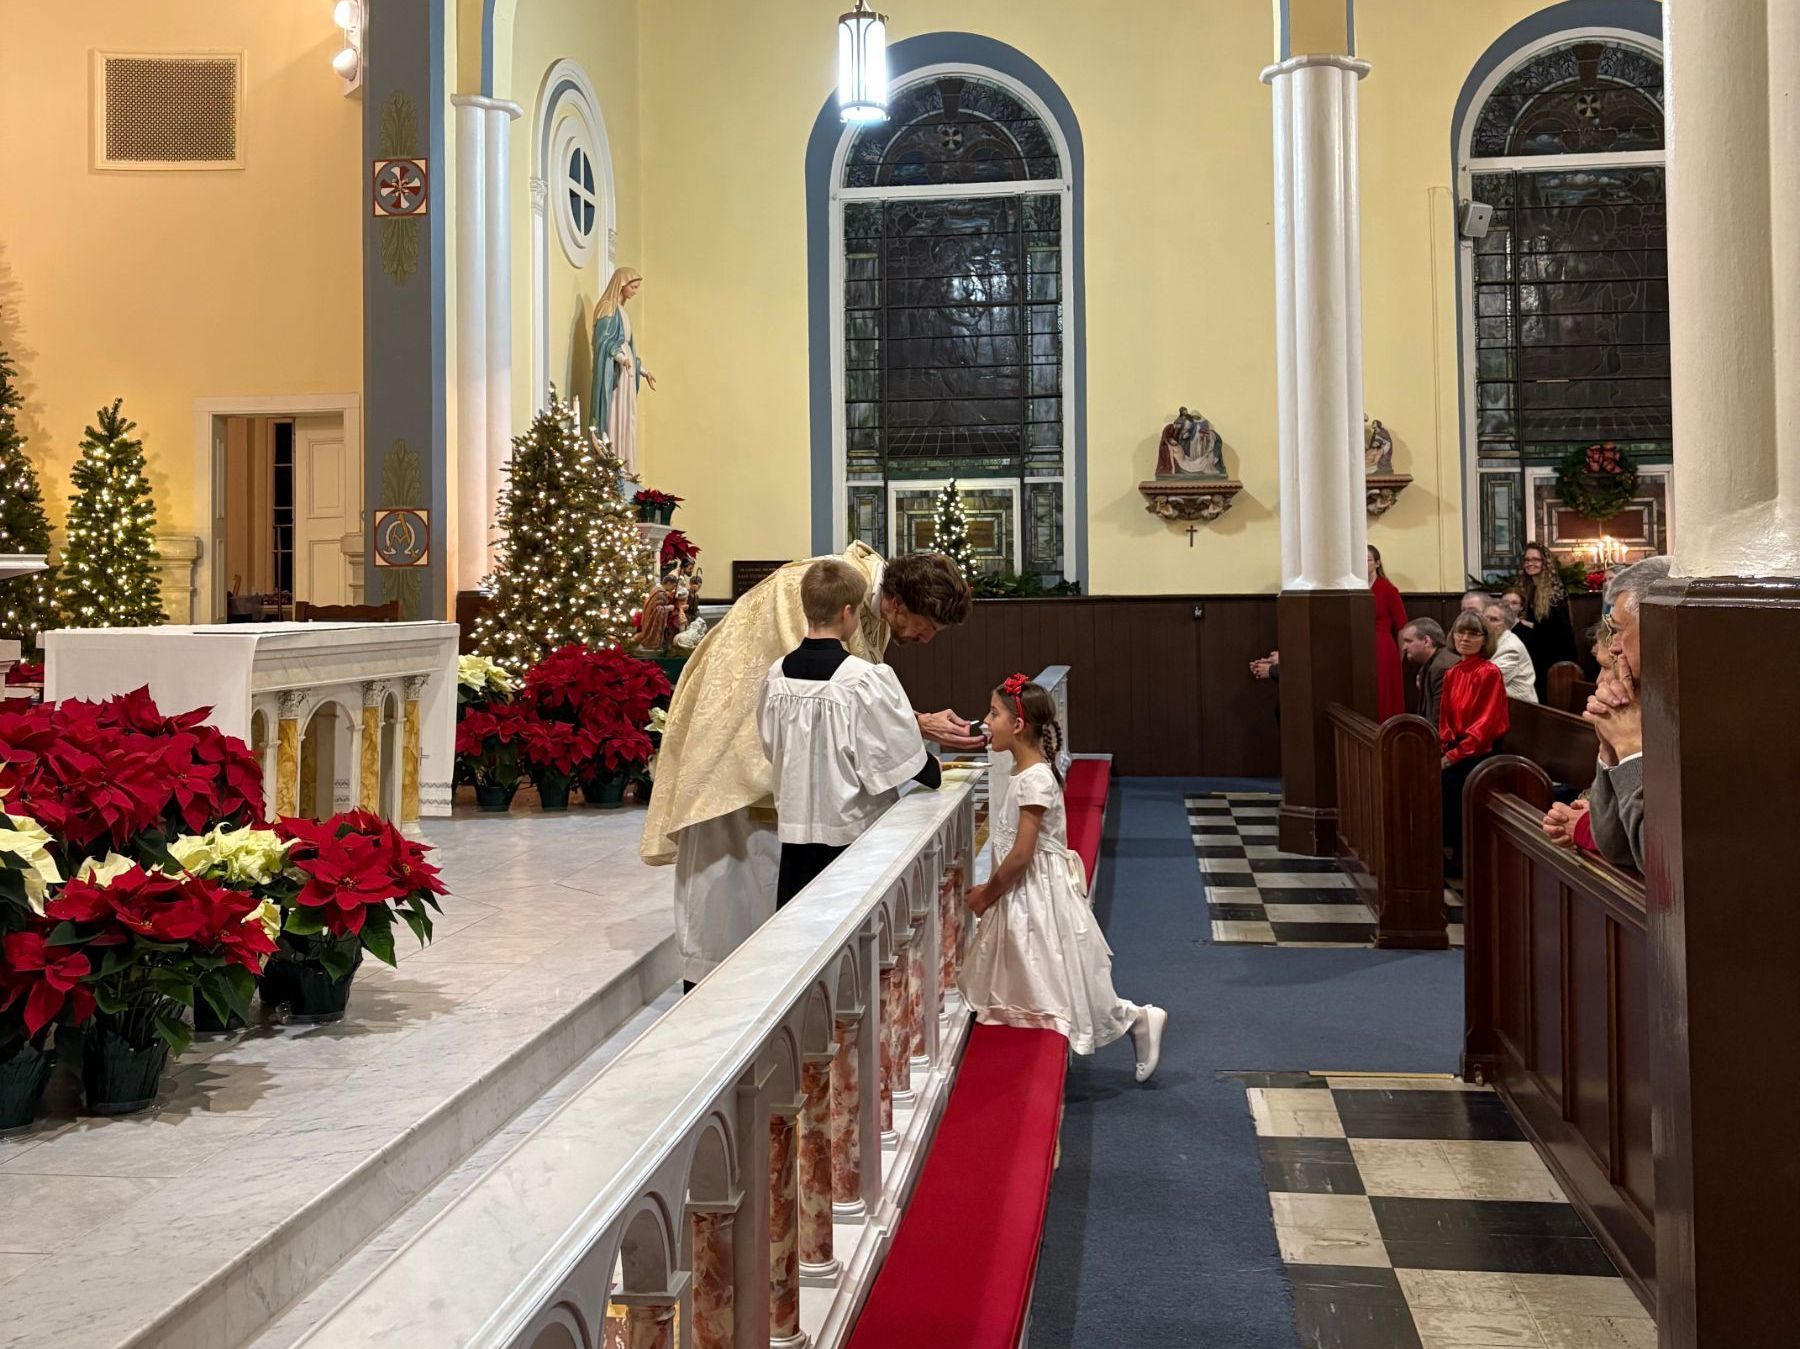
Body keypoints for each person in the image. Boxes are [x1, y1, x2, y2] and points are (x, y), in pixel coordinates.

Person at [642, 545, 979, 987]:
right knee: (734, 910)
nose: (926, 638)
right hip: (736, 765)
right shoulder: (820, 588)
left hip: (784, 772)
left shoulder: (860, 601)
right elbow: (810, 690)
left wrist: (911, 724)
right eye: (926, 626)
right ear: (896, 602)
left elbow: (837, 696)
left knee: (777, 926)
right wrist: (913, 727)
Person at [960, 675, 1168, 1080]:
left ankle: (1135, 1018)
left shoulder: (1035, 777)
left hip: (1038, 891)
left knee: (1058, 979)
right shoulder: (1027, 772)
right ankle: (1036, 1064)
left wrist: (987, 894)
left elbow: (1022, 855)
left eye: (994, 713)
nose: (987, 722)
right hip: (1027, 891)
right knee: (1043, 979)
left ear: (1018, 726)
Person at [758, 559, 941, 909]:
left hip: (795, 833)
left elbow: (770, 745)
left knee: (796, 928)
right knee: (849, 936)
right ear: (847, 613)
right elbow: (902, 757)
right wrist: (934, 771)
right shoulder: (864, 679)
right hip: (850, 836)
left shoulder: (776, 675)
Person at [1580, 555, 1670, 872]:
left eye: (1619, 631)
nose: (1615, 646)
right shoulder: (1642, 704)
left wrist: (1632, 748)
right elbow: (1615, 846)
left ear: (1659, 626)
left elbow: (1661, 863)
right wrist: (1610, 750)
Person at [1439, 610, 1510, 877]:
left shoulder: (1488, 672)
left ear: (1484, 640)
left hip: (1480, 752)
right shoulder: (1453, 673)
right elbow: (1445, 719)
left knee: (1452, 786)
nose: (1465, 638)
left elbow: (1486, 725)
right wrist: (1443, 748)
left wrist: (1453, 756)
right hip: (1457, 747)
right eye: (1460, 632)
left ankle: (1461, 858)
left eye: (1472, 633)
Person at [589, 266, 656, 473]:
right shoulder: (607, 308)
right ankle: (613, 464)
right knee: (615, 415)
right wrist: (620, 357)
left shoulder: (622, 311)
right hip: (614, 375)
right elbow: (604, 343)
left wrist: (642, 370)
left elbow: (626, 347)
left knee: (627, 418)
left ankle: (625, 467)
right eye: (633, 287)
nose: (635, 291)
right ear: (622, 284)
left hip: (626, 373)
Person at [1511, 540, 1577, 697]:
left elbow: (1557, 631)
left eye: (1535, 560)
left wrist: (1525, 623)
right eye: (1527, 560)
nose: (1530, 563)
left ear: (1544, 563)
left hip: (1553, 657)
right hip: (1533, 654)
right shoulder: (1527, 588)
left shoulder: (1556, 593)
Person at [1368, 545, 1408, 720]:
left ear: (1377, 563)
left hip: (1382, 645)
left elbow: (1401, 625)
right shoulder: (1356, 588)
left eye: (1367, 560)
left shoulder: (1387, 589)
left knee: (1384, 691)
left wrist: (1400, 653)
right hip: (1360, 643)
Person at [1400, 618, 1458, 728]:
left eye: (1408, 641)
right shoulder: (1431, 665)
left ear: (1427, 641)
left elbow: (1439, 720)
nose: (1404, 647)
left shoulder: (1442, 668)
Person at [1481, 600, 1540, 703]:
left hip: (1519, 711)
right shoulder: (1488, 641)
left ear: (1506, 624)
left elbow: (1485, 683)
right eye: (1485, 618)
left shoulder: (1511, 647)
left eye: (1494, 619)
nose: (1487, 623)